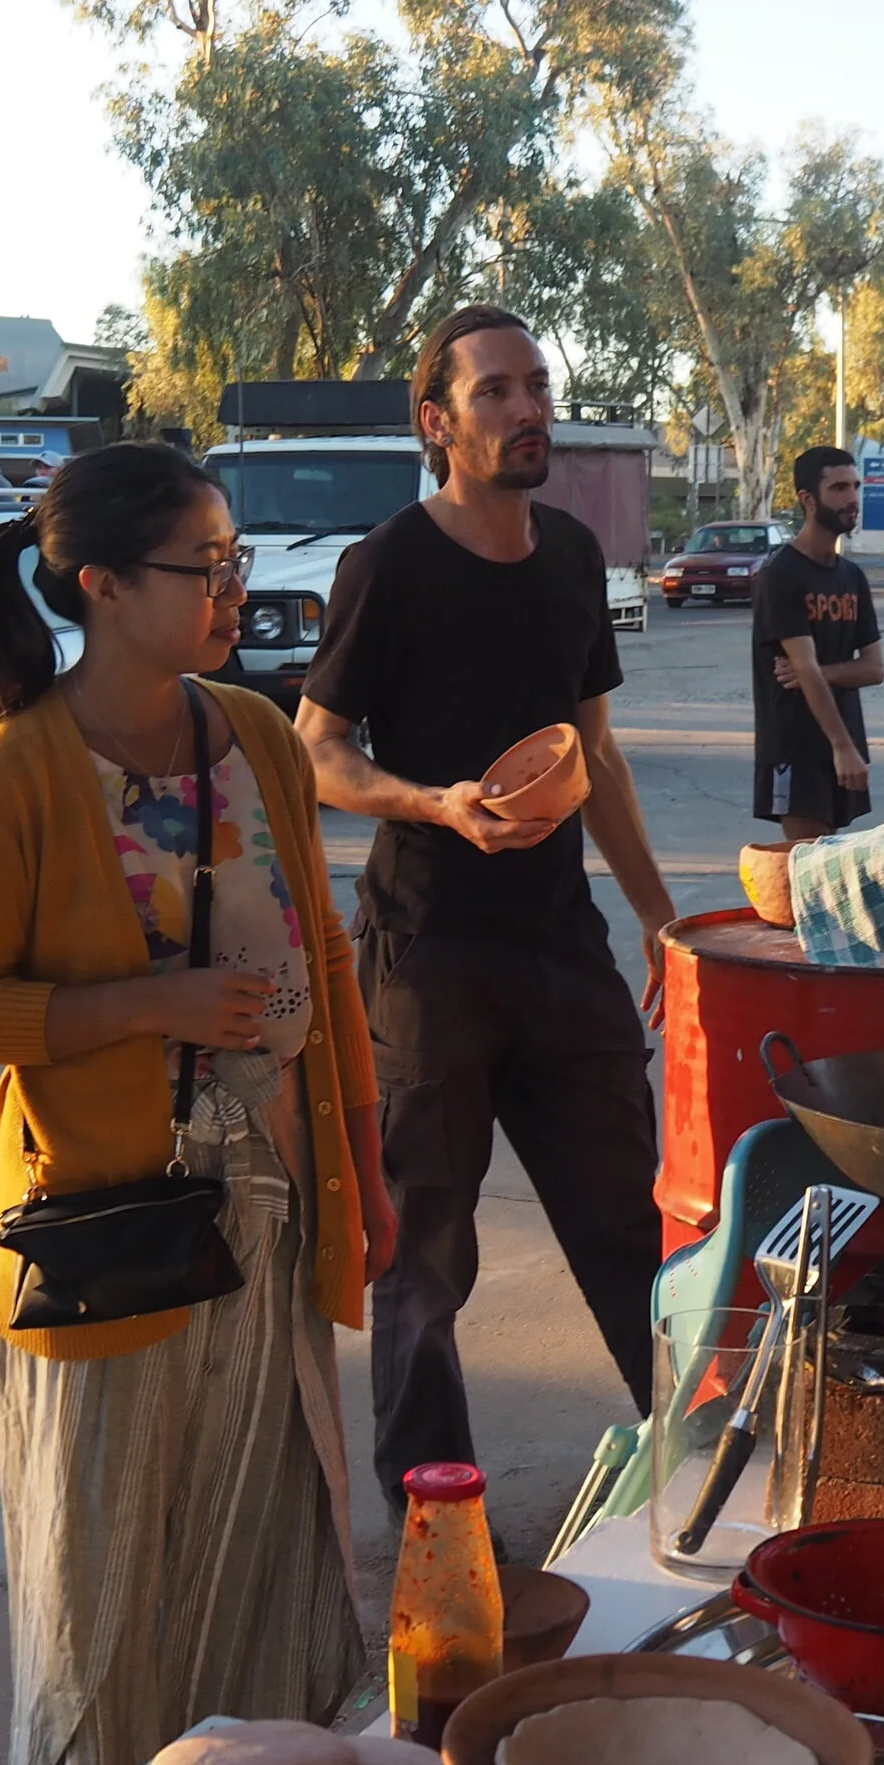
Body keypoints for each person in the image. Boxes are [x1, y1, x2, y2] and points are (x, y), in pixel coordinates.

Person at [0, 445, 390, 1765]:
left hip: (272, 1208)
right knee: (108, 1567)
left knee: (264, 1536)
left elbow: (331, 966)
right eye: (205, 566)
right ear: (102, 585)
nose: (234, 589)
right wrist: (149, 1003)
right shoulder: (6, 778)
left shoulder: (252, 732)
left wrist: (362, 1151)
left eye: (236, 560)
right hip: (109, 1236)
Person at [296, 304, 674, 1523]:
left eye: (536, 387)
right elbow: (316, 754)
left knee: (634, 1222)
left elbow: (596, 756)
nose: (527, 410)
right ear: (438, 423)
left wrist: (666, 924)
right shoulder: (388, 565)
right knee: (422, 1264)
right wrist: (434, 804)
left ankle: (700, 1465)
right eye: (497, 392)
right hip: (426, 958)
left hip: (560, 950)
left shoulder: (569, 557)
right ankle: (433, 1524)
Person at [751, 446, 884, 841]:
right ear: (807, 499)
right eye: (839, 488)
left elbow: (874, 669)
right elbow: (802, 665)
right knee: (807, 876)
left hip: (842, 745)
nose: (853, 498)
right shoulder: (781, 574)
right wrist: (841, 746)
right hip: (795, 749)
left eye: (856, 486)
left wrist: (823, 673)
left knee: (830, 877)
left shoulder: (852, 577)